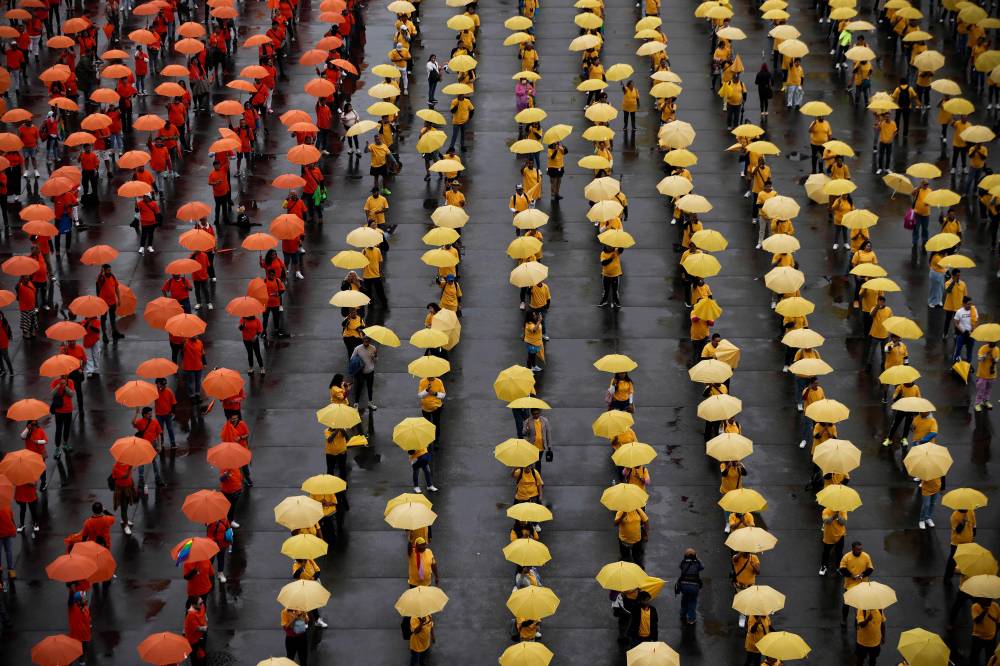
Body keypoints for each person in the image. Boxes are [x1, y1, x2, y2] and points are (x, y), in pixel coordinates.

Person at [839, 542, 874, 624]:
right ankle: (844, 619)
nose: (860, 551)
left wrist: (862, 575)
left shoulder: (866, 556)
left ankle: (859, 619)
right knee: (846, 603)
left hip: (863, 586)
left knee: (861, 605)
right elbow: (842, 569)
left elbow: (870, 568)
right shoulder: (846, 557)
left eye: (861, 549)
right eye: (858, 549)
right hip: (849, 585)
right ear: (853, 549)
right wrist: (852, 576)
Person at [676, 548, 704, 624]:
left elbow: (680, 567)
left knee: (684, 599)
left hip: (684, 585)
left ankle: (683, 614)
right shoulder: (697, 562)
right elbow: (702, 567)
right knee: (692, 601)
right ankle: (691, 619)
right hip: (694, 586)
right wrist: (697, 559)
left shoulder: (683, 562)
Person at [350, 334, 378, 410]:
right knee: (359, 388)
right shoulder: (358, 349)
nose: (366, 342)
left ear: (370, 341)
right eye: (365, 340)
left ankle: (370, 403)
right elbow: (352, 359)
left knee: (370, 388)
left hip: (370, 371)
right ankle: (356, 404)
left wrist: (374, 357)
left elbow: (376, 361)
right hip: (360, 372)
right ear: (363, 340)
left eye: (368, 341)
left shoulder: (373, 348)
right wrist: (358, 361)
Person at [970, 600, 1000, 665]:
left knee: (990, 658)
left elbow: (998, 622)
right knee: (974, 658)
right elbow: (977, 621)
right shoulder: (975, 606)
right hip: (978, 636)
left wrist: (995, 633)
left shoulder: (995, 606)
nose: (988, 600)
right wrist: (984, 612)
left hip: (991, 638)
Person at [819, 508, 847, 576]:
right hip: (829, 537)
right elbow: (826, 521)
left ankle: (839, 567)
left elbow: (843, 522)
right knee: (826, 553)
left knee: (839, 553)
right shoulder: (826, 511)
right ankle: (824, 567)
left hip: (840, 536)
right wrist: (833, 517)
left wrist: (838, 516)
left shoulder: (843, 511)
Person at [953, 296, 978, 365]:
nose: (970, 305)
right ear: (963, 304)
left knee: (969, 350)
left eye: (971, 304)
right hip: (962, 334)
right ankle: (955, 363)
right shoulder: (959, 312)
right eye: (968, 304)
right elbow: (956, 323)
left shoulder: (974, 310)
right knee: (958, 349)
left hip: (971, 334)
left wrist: (972, 330)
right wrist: (963, 331)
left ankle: (968, 364)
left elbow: (976, 321)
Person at [975, 341, 999, 412]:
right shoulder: (983, 348)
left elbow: (997, 359)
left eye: (995, 342)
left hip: (991, 374)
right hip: (982, 374)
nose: (994, 343)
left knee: (988, 389)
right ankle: (977, 403)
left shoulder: (997, 349)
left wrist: (993, 359)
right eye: (992, 342)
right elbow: (979, 359)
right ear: (988, 341)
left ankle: (986, 401)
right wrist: (985, 356)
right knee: (981, 389)